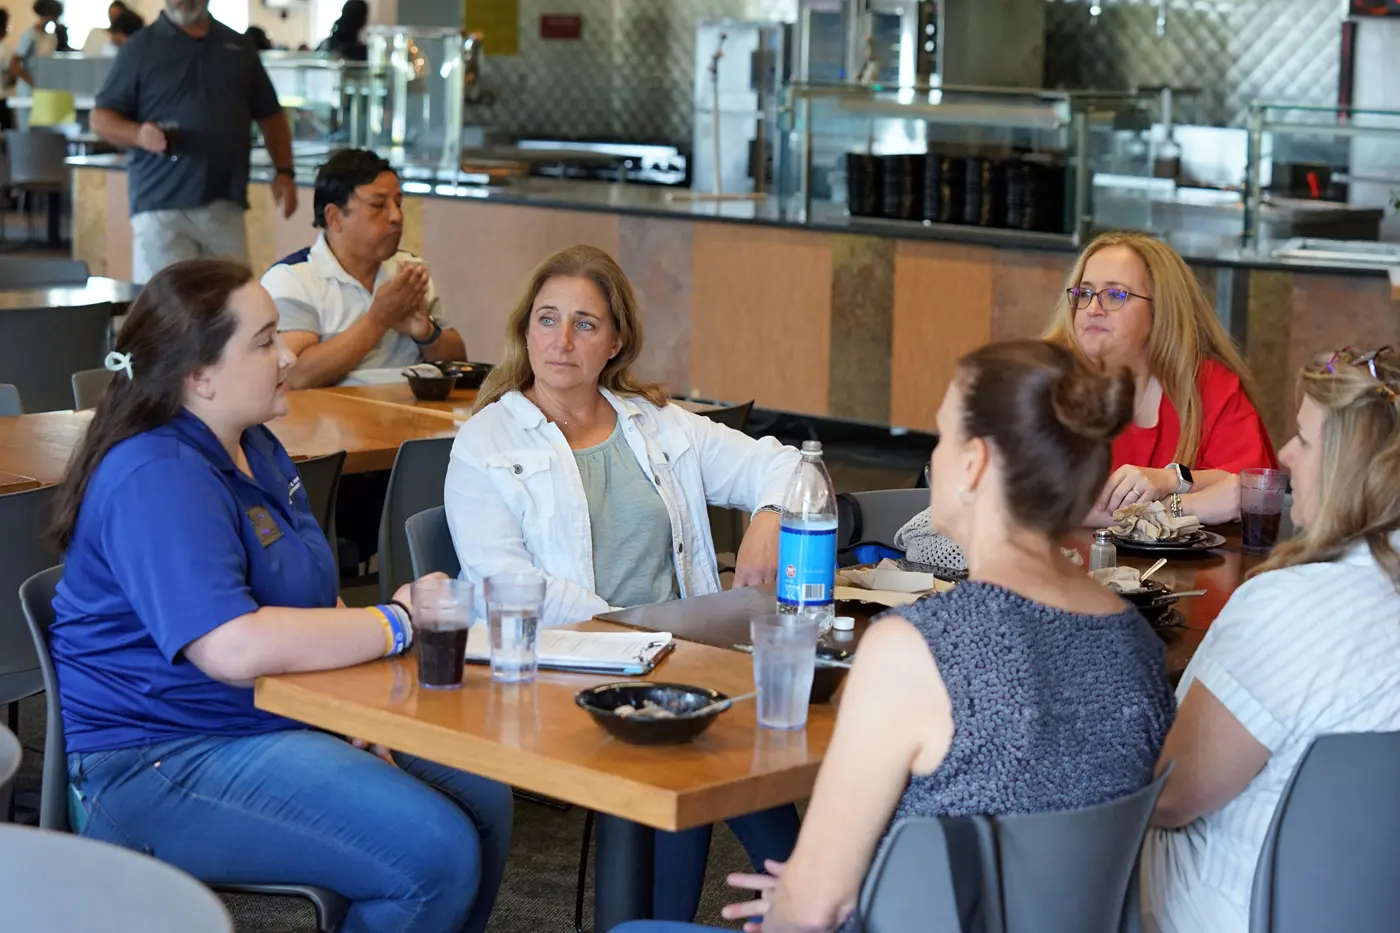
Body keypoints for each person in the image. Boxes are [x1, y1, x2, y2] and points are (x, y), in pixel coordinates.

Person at [613, 340, 1176, 933]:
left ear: (974, 464)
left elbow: (811, 913)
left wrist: (805, 900)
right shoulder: (1131, 637)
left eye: (943, 437)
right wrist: (868, 889)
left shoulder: (916, 649)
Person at [47, 258, 513, 933]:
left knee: (482, 797)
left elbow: (312, 601)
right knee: (434, 853)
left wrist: (355, 706)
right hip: (160, 757)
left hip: (271, 712)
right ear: (198, 374)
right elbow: (232, 645)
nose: (287, 357)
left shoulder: (254, 443)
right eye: (265, 341)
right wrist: (398, 621)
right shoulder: (157, 472)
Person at [445, 243, 802, 922]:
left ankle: (793, 891)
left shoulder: (656, 424)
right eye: (547, 319)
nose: (561, 339)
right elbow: (510, 583)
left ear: (615, 340)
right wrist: (647, 635)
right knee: (701, 738)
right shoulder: (488, 441)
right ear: (525, 329)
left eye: (584, 323)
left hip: (680, 661)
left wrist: (770, 512)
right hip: (563, 665)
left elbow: (785, 467)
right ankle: (801, 891)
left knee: (728, 735)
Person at [1142, 346, 1400, 933]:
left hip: (1235, 908)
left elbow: (1170, 796)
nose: (1283, 454)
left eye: (1304, 440)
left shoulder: (1290, 607)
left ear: (1347, 466)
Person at [1045, 231, 1277, 526]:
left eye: (1115, 295)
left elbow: (1249, 491)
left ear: (1160, 310)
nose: (1092, 309)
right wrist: (1183, 508)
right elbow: (1034, 504)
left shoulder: (1209, 384)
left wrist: (1171, 480)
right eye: (1084, 293)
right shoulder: (1048, 378)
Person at [91, 0, 297, 284]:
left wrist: (284, 171)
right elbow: (101, 118)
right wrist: (138, 135)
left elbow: (271, 116)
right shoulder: (140, 48)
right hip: (160, 205)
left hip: (224, 202)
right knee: (167, 311)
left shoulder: (238, 47)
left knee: (232, 308)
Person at [262, 148, 466, 388]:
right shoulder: (292, 278)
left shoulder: (407, 269)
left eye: (398, 204)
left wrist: (426, 333)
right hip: (330, 419)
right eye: (378, 205)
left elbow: (458, 365)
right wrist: (378, 320)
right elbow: (295, 376)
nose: (396, 216)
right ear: (334, 217)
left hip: (410, 414)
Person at [13, 0, 63, 87]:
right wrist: (31, 82)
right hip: (29, 88)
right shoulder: (30, 35)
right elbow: (14, 63)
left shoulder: (52, 37)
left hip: (44, 84)